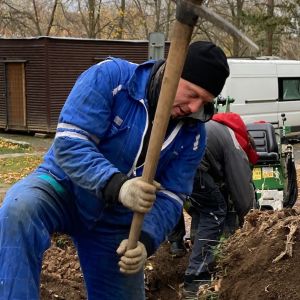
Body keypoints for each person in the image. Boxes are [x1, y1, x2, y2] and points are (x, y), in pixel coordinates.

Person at [0, 41, 229, 300]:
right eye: (192, 94)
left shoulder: (192, 135)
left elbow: (172, 196)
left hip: (114, 221)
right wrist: (117, 184)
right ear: (170, 73)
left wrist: (145, 239)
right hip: (60, 186)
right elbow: (70, 143)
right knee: (19, 209)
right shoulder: (111, 78)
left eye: (205, 102)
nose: (195, 108)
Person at [169, 112, 258, 297]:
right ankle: (196, 278)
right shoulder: (235, 143)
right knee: (215, 211)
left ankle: (176, 244)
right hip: (193, 165)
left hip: (173, 159)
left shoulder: (215, 127)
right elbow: (241, 189)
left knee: (176, 201)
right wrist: (251, 221)